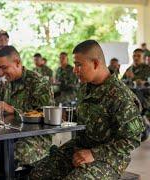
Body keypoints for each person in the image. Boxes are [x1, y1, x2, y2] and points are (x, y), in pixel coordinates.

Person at [30, 40, 145, 179]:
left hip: (109, 158)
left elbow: (132, 140)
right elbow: (86, 117)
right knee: (39, 173)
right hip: (80, 147)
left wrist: (94, 154)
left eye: (79, 65)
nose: (74, 70)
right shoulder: (86, 87)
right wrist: (65, 116)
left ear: (96, 63)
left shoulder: (120, 96)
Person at [0, 46, 53, 177]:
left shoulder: (38, 83)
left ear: (17, 62)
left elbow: (48, 117)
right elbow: (5, 111)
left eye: (4, 67)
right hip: (9, 134)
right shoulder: (8, 83)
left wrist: (13, 110)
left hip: (35, 138)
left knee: (1, 160)